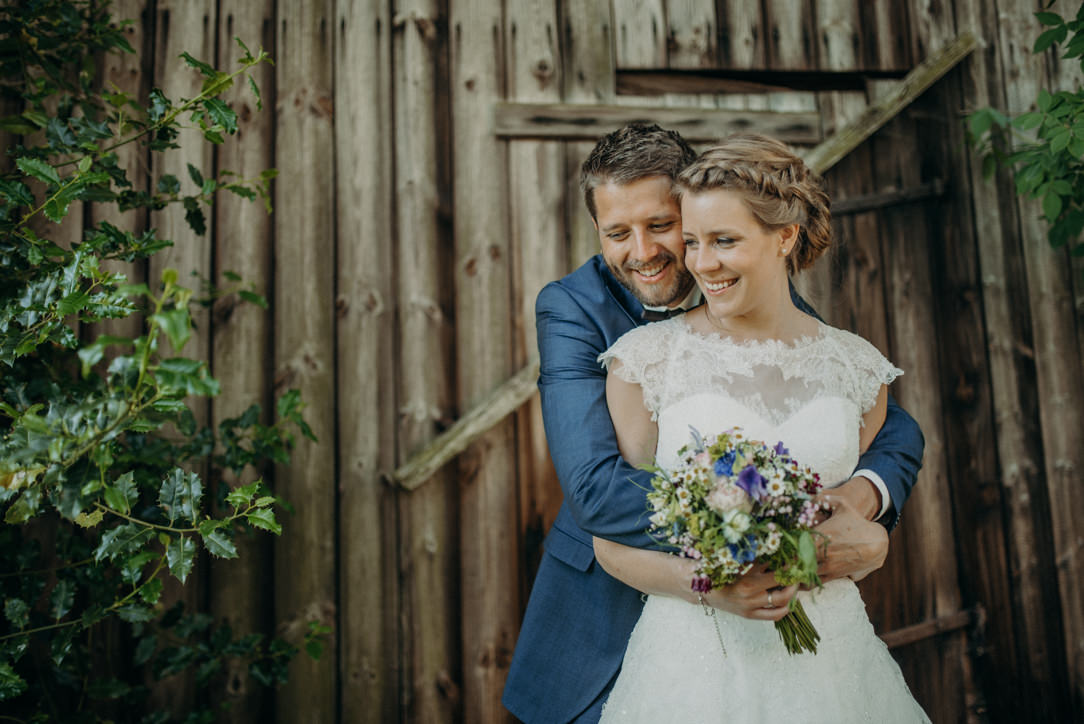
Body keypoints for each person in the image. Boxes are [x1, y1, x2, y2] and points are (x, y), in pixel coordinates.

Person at [501, 124, 925, 724]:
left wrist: (865, 502)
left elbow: (873, 412)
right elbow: (595, 490)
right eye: (617, 233)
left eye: (661, 226)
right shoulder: (573, 308)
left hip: (791, 638)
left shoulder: (742, 279)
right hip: (610, 614)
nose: (643, 252)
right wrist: (757, 531)